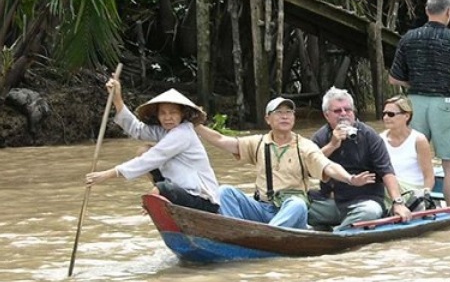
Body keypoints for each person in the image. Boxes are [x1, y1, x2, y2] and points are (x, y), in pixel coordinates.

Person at [194, 96, 374, 228]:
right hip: (263, 207)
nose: (285, 116)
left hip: (289, 210)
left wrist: (350, 179)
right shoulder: (257, 143)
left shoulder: (304, 145)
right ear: (267, 119)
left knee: (297, 204)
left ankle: (267, 235)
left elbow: (328, 166)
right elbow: (220, 140)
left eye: (289, 112)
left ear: (294, 118)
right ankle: (236, 232)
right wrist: (195, 125)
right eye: (279, 113)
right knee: (225, 191)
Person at [389, 0, 450, 206]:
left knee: (415, 159)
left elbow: (394, 78)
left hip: (414, 104)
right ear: (449, 12)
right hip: (445, 104)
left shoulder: (409, 38)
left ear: (427, 11)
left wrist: (416, 84)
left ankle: (409, 204)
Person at [85, 79, 219, 213]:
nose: (167, 117)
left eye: (173, 112)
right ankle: (162, 196)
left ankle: (161, 195)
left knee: (159, 188)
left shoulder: (183, 133)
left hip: (202, 199)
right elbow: (136, 129)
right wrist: (117, 99)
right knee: (143, 150)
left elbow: (153, 158)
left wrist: (108, 174)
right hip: (181, 190)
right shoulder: (164, 131)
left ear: (182, 114)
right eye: (163, 113)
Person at [308, 87, 412, 231]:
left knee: (370, 212)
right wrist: (332, 145)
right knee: (299, 206)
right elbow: (307, 168)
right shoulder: (320, 137)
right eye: (338, 111)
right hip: (331, 203)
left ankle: (335, 234)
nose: (344, 114)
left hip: (364, 202)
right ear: (327, 115)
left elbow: (386, 171)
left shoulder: (369, 136)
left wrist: (398, 202)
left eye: (348, 110)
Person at [380, 95, 435, 200]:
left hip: (412, 190)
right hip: (390, 187)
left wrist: (423, 196)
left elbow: (429, 176)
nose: (386, 117)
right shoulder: (380, 139)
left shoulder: (419, 140)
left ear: (406, 116)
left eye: (391, 114)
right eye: (384, 114)